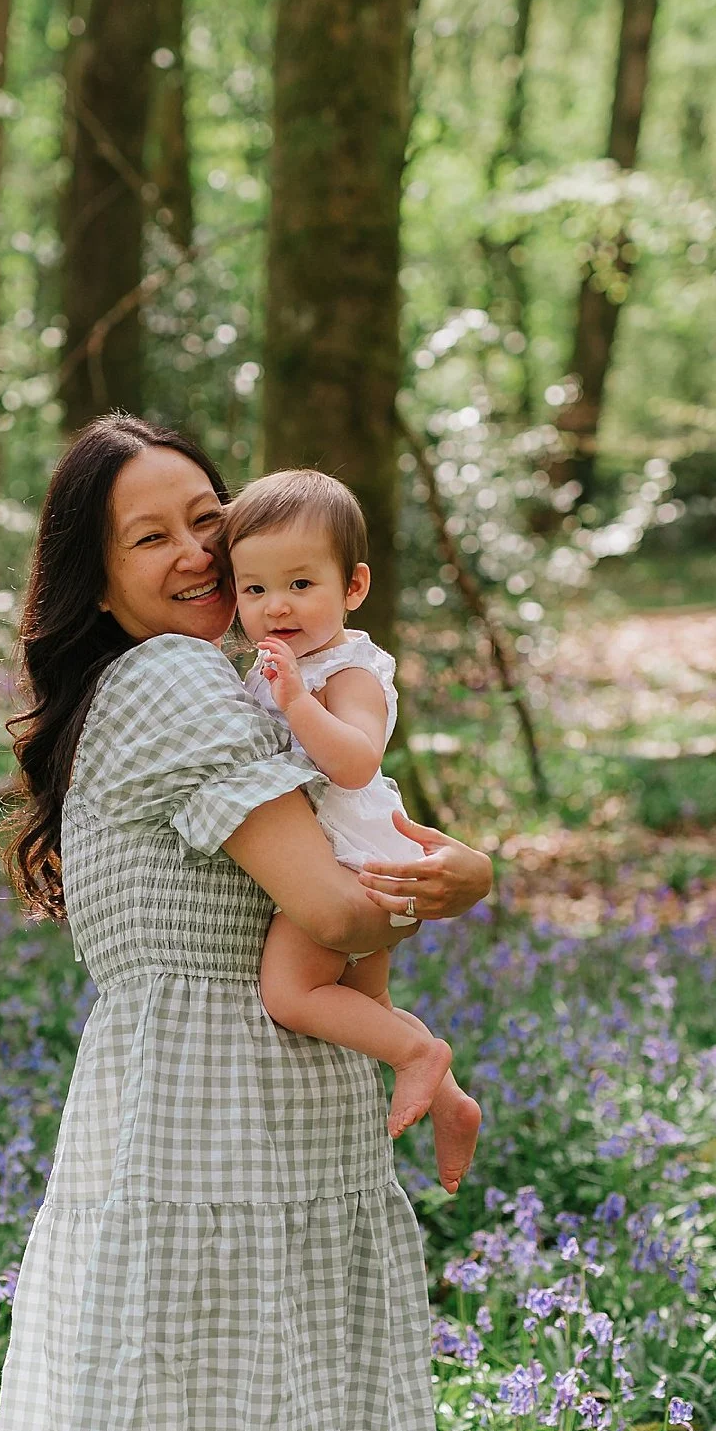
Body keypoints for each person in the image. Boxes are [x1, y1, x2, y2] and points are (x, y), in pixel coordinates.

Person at [0, 415, 493, 1431]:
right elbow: (342, 904)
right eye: (152, 538)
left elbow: (342, 832)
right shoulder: (175, 684)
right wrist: (481, 875)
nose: (198, 552)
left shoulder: (237, 681)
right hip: (214, 1118)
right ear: (102, 585)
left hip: (255, 1103)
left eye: (207, 515)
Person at [225, 468, 483, 1192]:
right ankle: (453, 1102)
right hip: (352, 857)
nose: (277, 606)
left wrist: (299, 701)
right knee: (363, 1003)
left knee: (292, 993)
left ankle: (415, 1057)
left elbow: (356, 760)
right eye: (255, 589)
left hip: (354, 860)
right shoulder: (285, 666)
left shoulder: (349, 672)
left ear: (354, 588)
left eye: (301, 585)